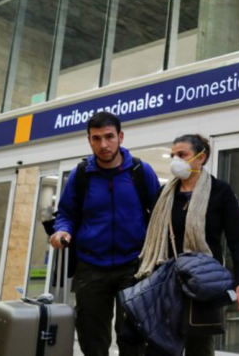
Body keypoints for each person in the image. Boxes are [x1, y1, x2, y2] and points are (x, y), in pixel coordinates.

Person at [50, 112, 161, 356]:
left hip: (133, 266)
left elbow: (160, 214)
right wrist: (62, 230)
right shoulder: (81, 174)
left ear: (120, 136)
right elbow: (66, 213)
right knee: (92, 337)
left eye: (109, 137)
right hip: (90, 266)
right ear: (89, 140)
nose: (103, 144)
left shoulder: (140, 172)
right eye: (96, 138)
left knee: (132, 336)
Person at [136, 134, 239, 355]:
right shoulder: (165, 194)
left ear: (201, 157)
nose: (176, 160)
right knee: (158, 348)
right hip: (166, 283)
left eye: (182, 155)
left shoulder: (220, 191)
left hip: (202, 284)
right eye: (173, 155)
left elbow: (238, 239)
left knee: (199, 347)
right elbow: (152, 239)